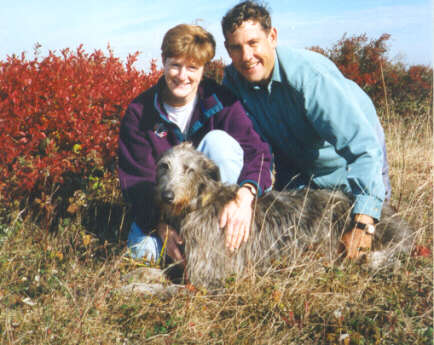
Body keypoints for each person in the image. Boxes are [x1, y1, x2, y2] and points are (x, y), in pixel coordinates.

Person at [221, 1, 392, 259]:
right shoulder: (233, 81)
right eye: (237, 47)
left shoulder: (309, 77)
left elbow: (363, 147)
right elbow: (252, 147)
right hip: (299, 171)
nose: (246, 56)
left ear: (273, 37)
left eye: (253, 43)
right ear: (228, 49)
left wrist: (363, 224)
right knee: (288, 246)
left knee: (371, 239)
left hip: (348, 167)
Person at [118, 24, 272, 263]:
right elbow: (138, 181)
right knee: (142, 254)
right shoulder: (139, 113)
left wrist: (244, 196)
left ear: (203, 70)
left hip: (213, 208)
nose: (182, 76)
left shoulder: (222, 101)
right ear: (163, 61)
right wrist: (160, 225)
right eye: (175, 65)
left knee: (218, 142)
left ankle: (222, 236)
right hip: (163, 210)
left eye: (192, 67)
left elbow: (258, 153)